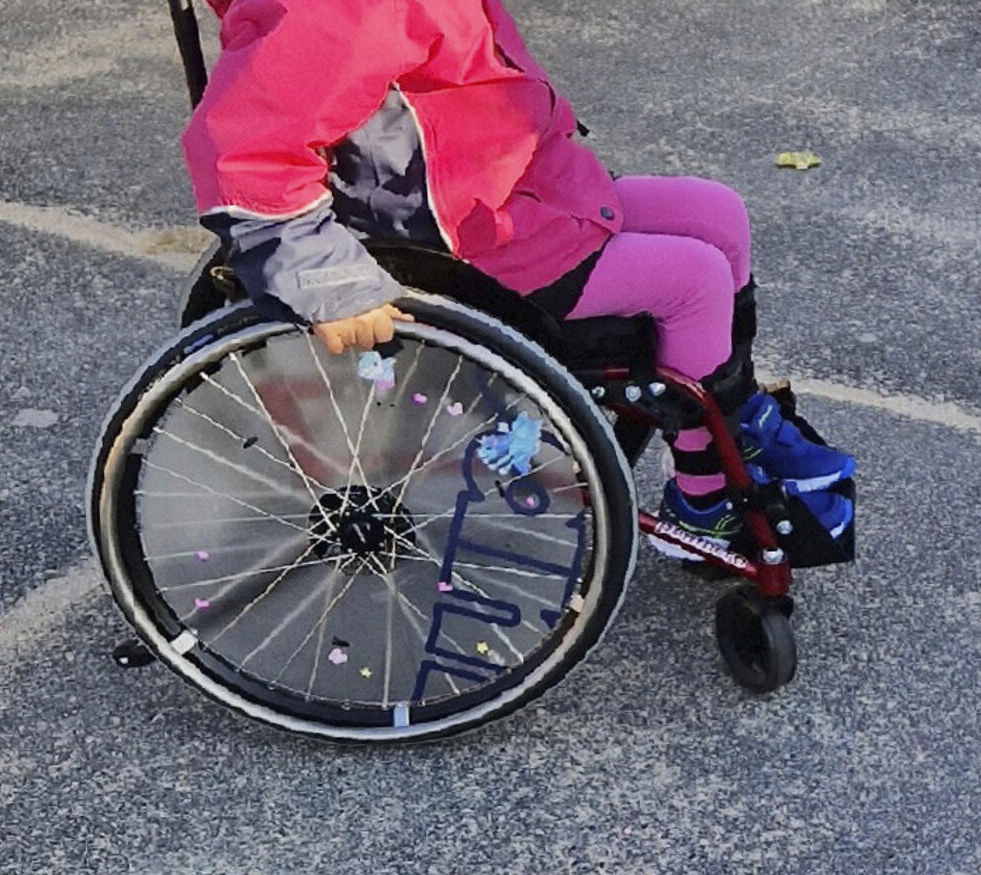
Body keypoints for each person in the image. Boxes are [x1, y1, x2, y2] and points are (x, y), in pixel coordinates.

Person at [182, 0, 853, 557]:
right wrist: (329, 285)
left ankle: (733, 414)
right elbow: (248, 154)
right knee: (693, 279)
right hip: (470, 242)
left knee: (717, 214)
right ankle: (704, 498)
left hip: (511, 186)